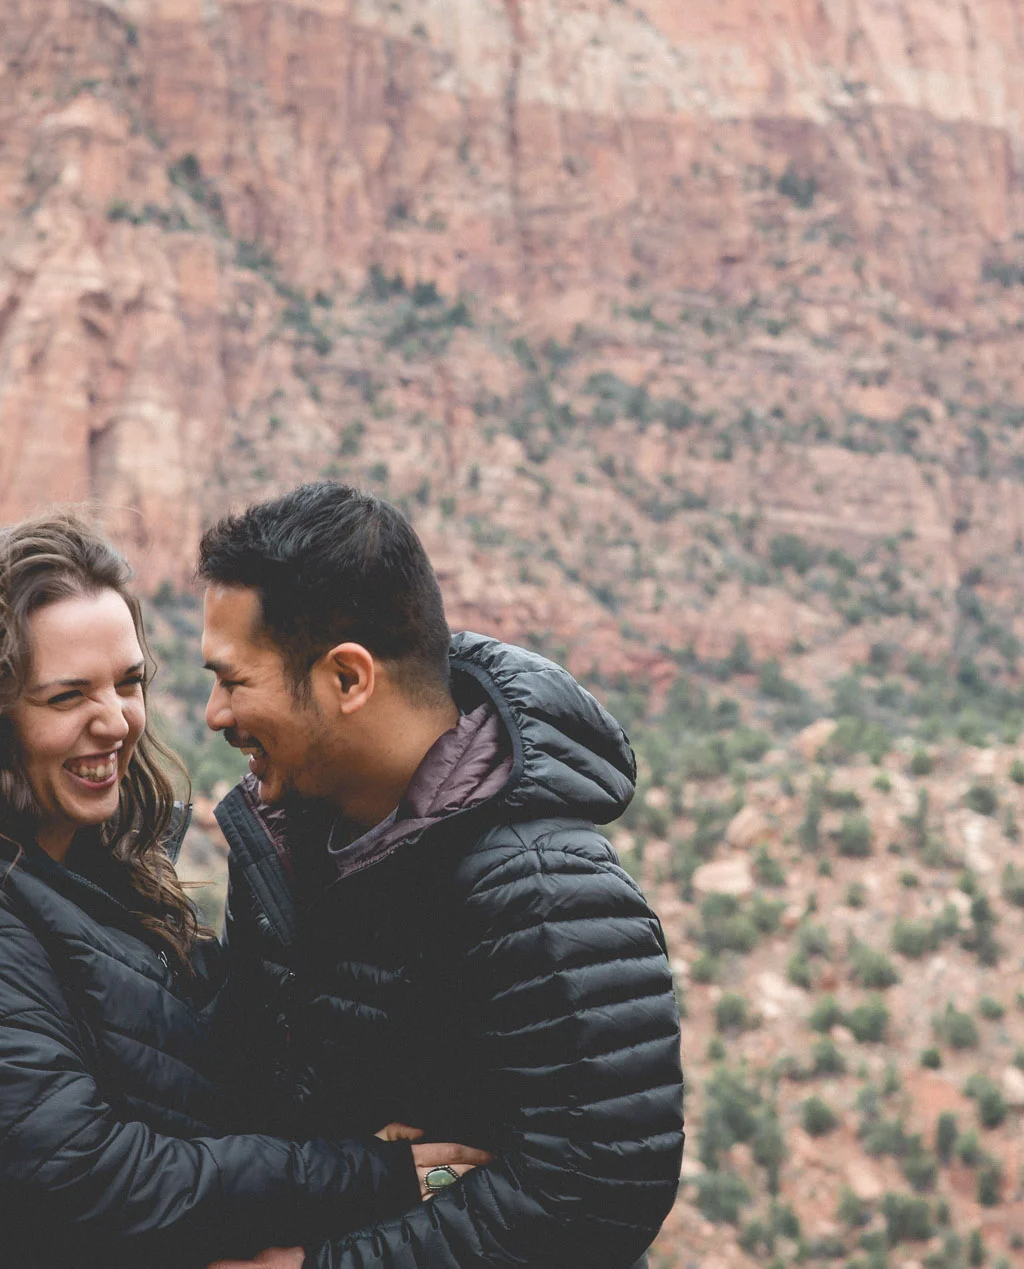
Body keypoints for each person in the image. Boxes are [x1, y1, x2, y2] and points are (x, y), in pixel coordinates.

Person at [0, 513, 488, 1268]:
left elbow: (210, 1090)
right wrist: (378, 1176)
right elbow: (90, 1178)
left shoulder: (93, 862)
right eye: (65, 696)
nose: (115, 722)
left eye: (129, 682)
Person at [199, 482, 684, 1269]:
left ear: (349, 679)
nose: (216, 712)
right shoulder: (286, 836)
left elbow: (595, 1191)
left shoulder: (541, 890)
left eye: (234, 680)